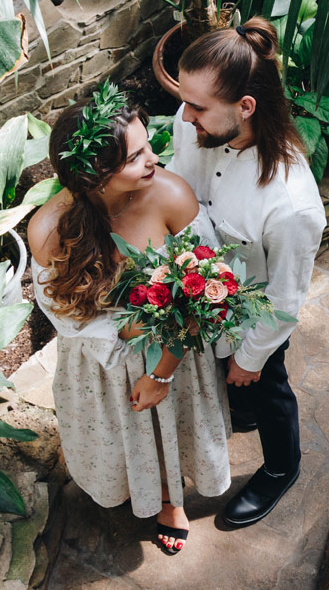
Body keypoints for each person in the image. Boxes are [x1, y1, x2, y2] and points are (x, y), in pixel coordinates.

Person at [28, 85, 232, 556]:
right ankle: (141, 488)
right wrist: (128, 333)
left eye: (148, 146)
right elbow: (64, 315)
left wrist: (162, 370)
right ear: (96, 176)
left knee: (172, 421)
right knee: (122, 428)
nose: (153, 159)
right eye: (136, 156)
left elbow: (203, 293)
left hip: (173, 344)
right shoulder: (50, 230)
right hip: (102, 357)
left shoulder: (171, 195)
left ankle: (170, 498)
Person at [167, 18, 326, 528]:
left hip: (251, 318)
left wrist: (251, 357)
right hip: (203, 295)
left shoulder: (291, 205)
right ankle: (244, 408)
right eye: (185, 100)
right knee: (230, 386)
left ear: (246, 107)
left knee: (266, 388)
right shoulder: (193, 124)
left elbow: (284, 296)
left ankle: (283, 467)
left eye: (197, 107)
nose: (184, 115)